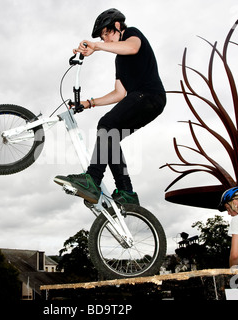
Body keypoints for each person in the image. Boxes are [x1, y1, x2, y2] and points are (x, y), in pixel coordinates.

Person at [54, 8, 166, 205]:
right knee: (110, 136)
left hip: (149, 95)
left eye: (106, 34)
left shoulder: (132, 34)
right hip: (144, 102)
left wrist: (96, 46)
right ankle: (126, 191)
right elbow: (119, 93)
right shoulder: (119, 60)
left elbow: (132, 48)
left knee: (106, 123)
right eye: (102, 37)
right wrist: (88, 103)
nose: (105, 39)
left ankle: (92, 180)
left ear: (117, 26)